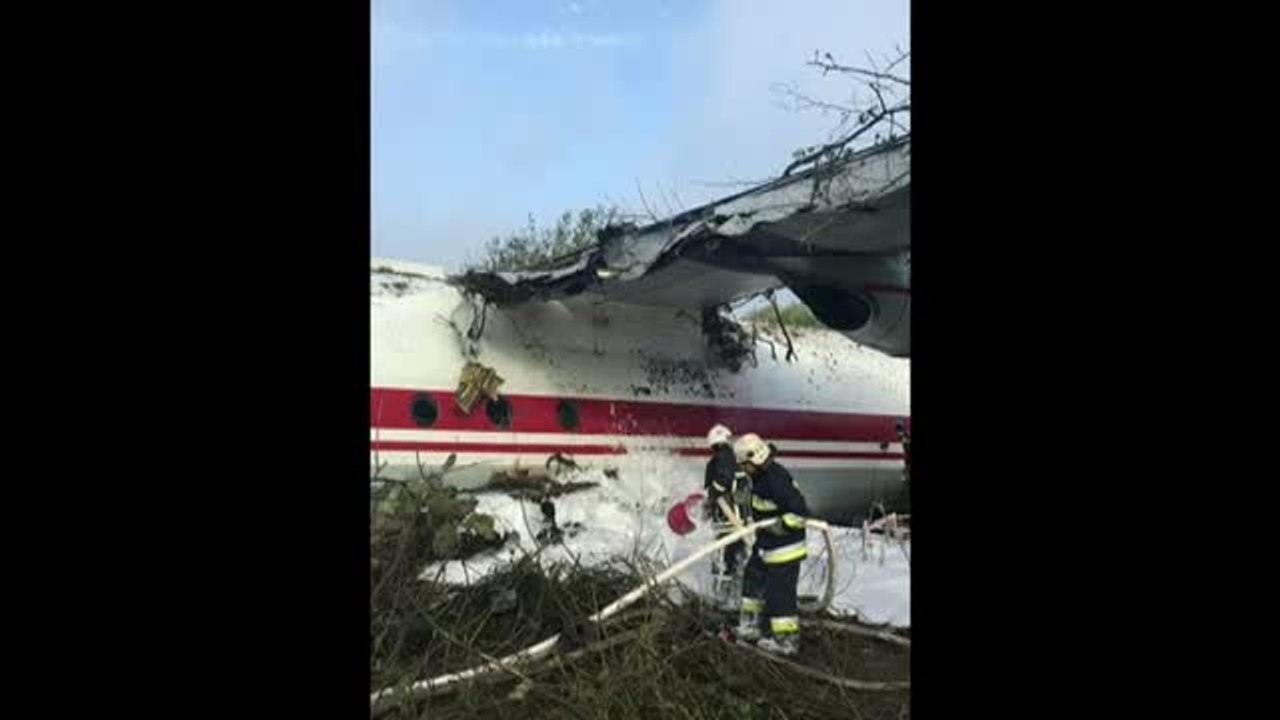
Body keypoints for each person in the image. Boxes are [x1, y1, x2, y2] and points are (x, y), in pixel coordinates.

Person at [734, 433, 810, 656]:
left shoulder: (776, 479)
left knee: (780, 596)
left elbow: (800, 512)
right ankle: (750, 625)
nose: (743, 469)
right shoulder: (761, 477)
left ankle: (785, 641)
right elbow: (764, 502)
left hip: (784, 550)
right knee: (752, 579)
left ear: (755, 459)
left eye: (744, 465)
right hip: (766, 545)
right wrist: (746, 500)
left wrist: (782, 526)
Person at [704, 424, 749, 610]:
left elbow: (722, 481)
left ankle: (722, 600)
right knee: (737, 560)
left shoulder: (722, 458)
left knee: (723, 562)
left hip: (728, 521)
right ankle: (736, 599)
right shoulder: (736, 459)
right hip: (740, 519)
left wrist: (711, 496)